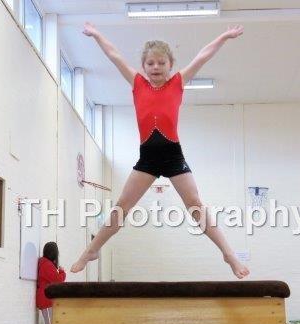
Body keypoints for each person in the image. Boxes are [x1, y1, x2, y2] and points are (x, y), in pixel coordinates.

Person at [70, 22, 249, 279]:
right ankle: (92, 250)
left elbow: (202, 56)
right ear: (143, 66)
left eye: (161, 63)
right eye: (151, 63)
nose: (156, 67)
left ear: (170, 65)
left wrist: (224, 36)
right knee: (121, 206)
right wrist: (97, 35)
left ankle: (228, 254)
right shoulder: (137, 83)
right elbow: (114, 55)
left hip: (173, 155)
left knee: (195, 204)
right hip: (148, 158)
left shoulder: (177, 82)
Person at [36, 242, 66, 324]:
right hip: (46, 300)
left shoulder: (44, 263)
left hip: (46, 299)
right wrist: (62, 271)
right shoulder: (47, 265)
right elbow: (59, 280)